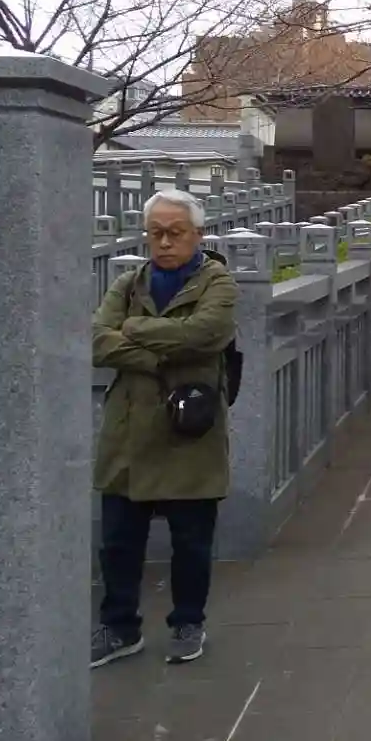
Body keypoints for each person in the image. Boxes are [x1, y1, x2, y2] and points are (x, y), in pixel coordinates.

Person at [90, 190, 240, 666]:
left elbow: (204, 334)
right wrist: (158, 359)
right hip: (129, 428)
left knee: (191, 540)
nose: (165, 242)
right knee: (118, 540)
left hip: (187, 427)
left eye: (176, 233)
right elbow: (97, 340)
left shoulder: (218, 282)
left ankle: (188, 622)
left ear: (198, 234)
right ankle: (119, 627)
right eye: (155, 233)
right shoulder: (128, 283)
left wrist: (134, 330)